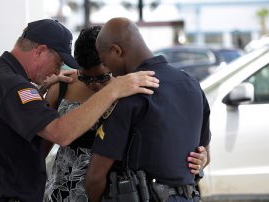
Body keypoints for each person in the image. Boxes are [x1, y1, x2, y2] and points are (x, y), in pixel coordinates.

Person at [0, 19, 160, 202]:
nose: (58, 71)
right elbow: (60, 133)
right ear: (40, 50)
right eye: (58, 62)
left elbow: (15, 120)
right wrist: (112, 90)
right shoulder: (12, 85)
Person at [44, 26, 208, 202]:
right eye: (85, 78)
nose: (94, 85)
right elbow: (42, 145)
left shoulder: (129, 89)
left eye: (102, 76)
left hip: (115, 188)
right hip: (64, 187)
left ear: (114, 55)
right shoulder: (62, 86)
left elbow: (191, 143)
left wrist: (201, 157)